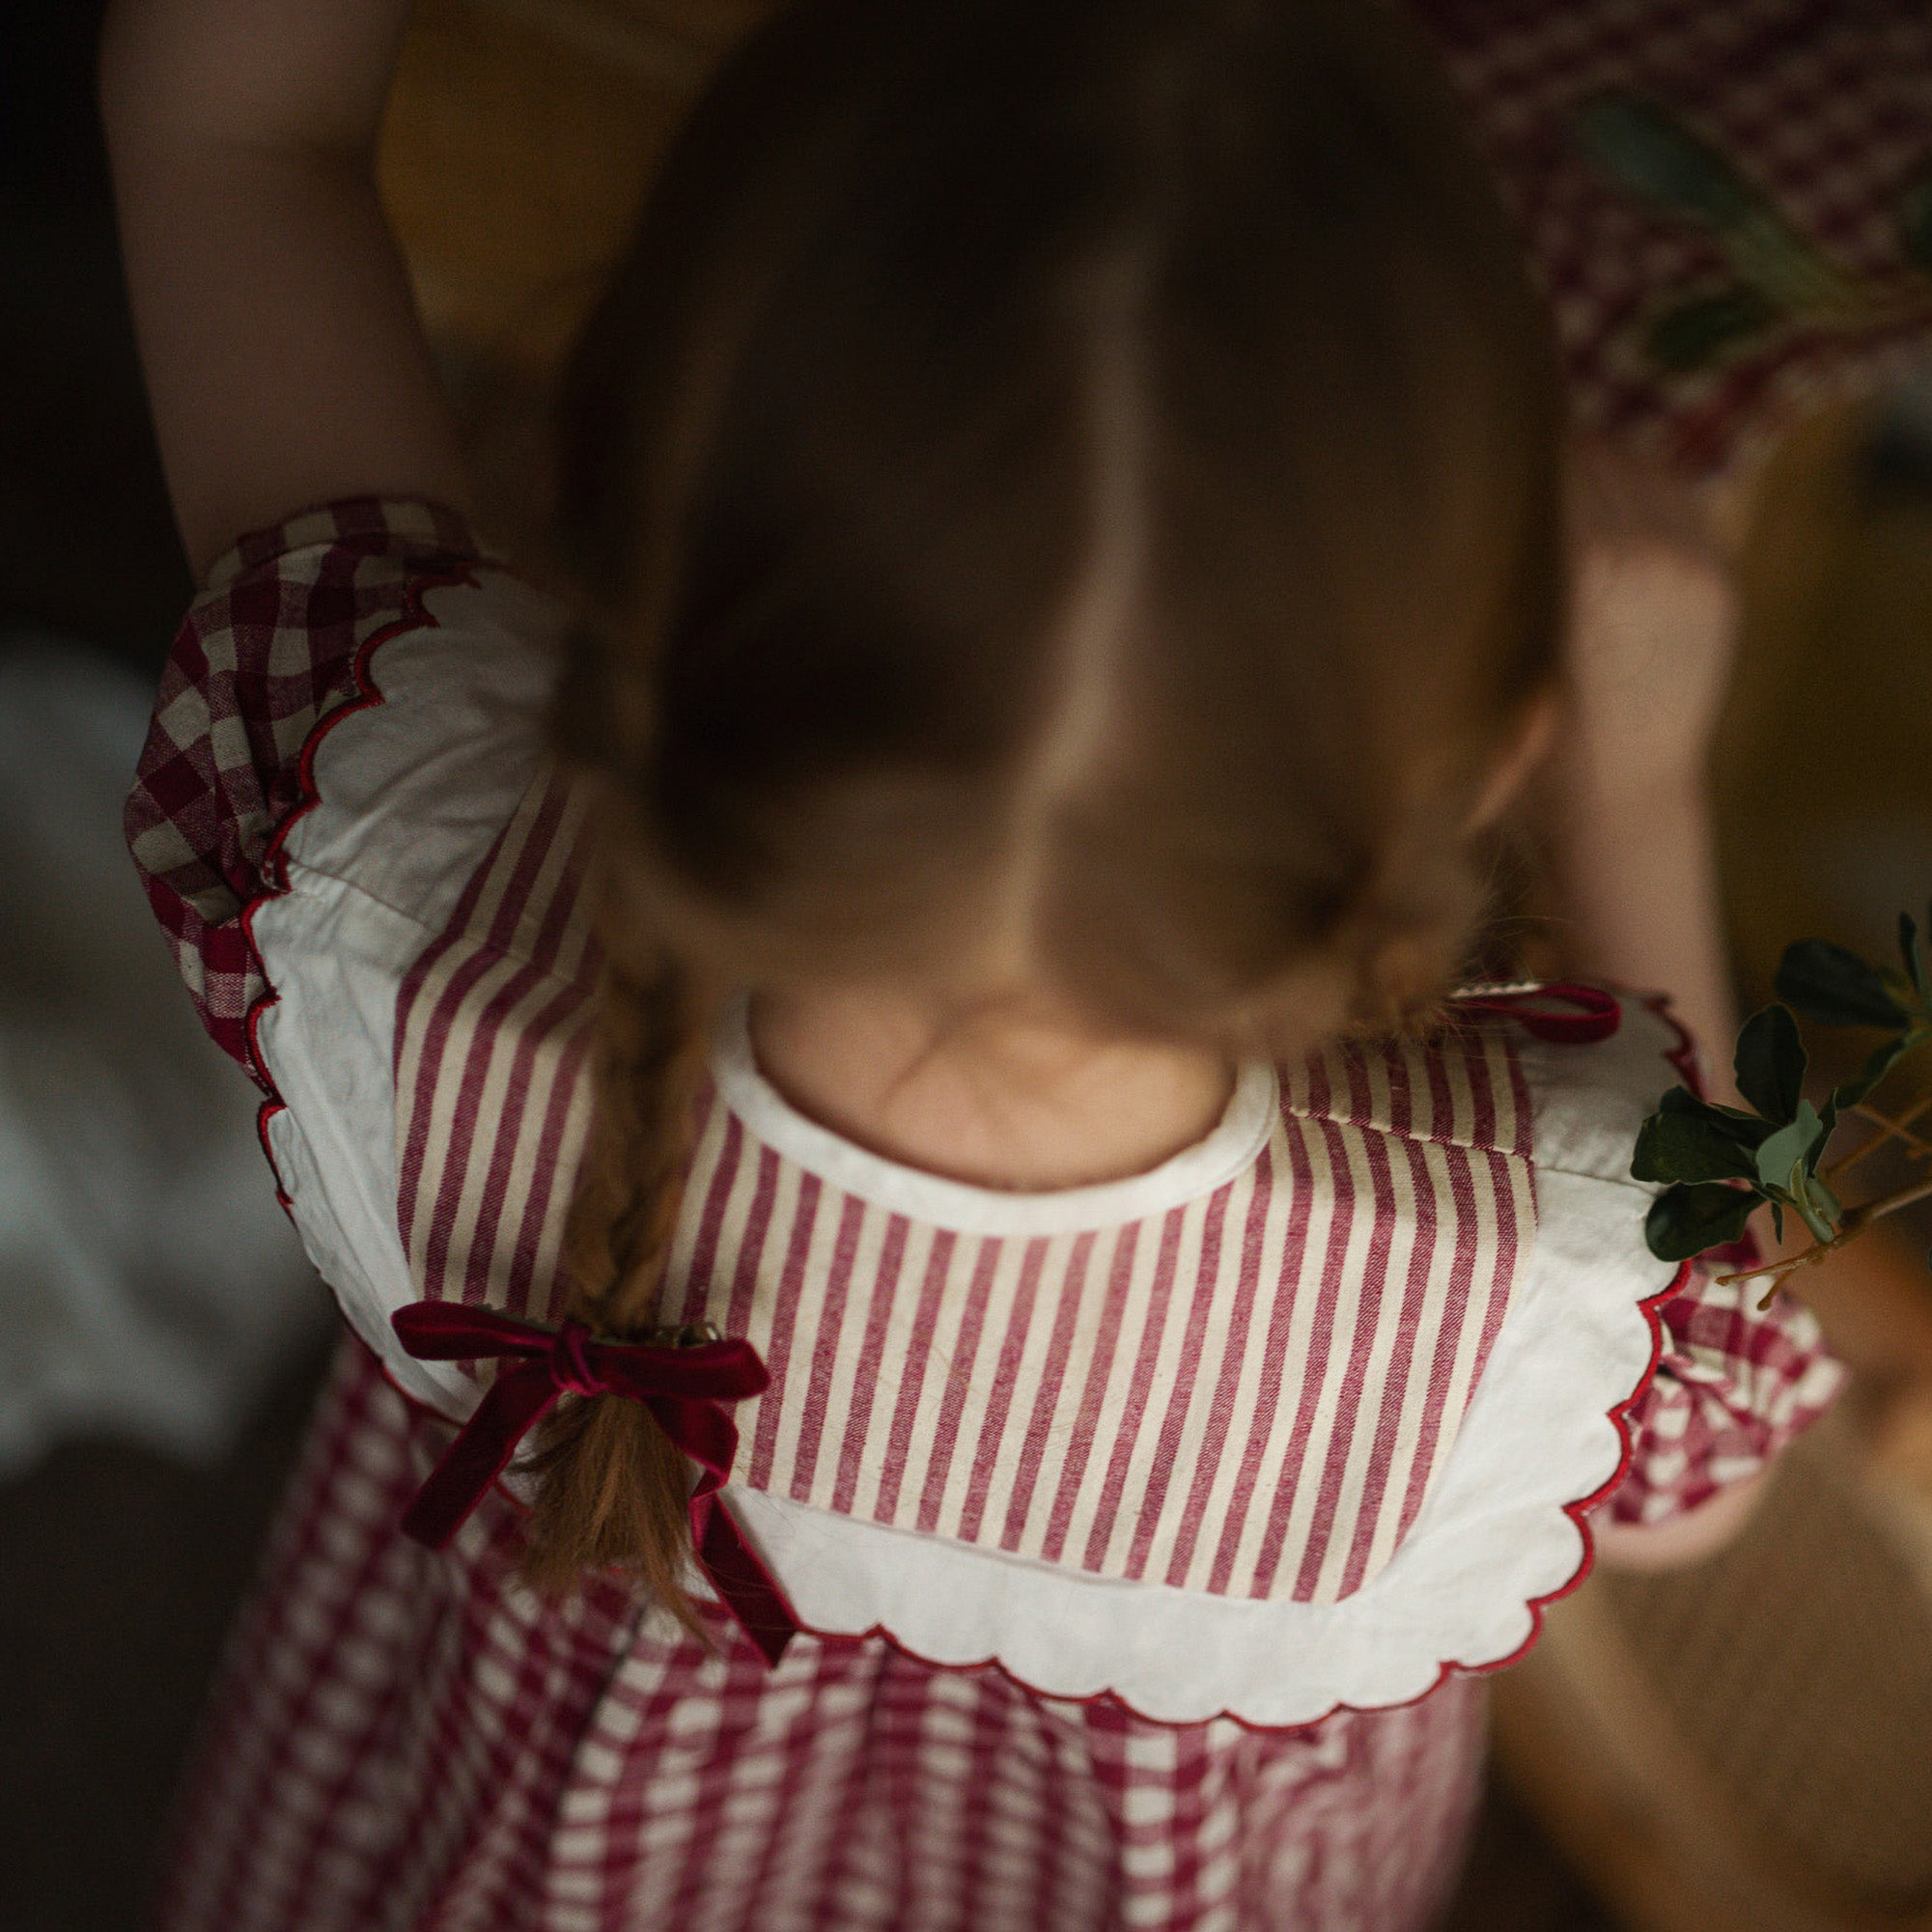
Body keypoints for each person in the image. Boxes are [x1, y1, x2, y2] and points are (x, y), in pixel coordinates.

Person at [102, 0, 1846, 1925]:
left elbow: (229, 137)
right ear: (1498, 741)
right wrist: (1646, 783)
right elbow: (1714, 1501)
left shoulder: (369, 874)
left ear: (592, 479)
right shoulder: (1537, 1285)